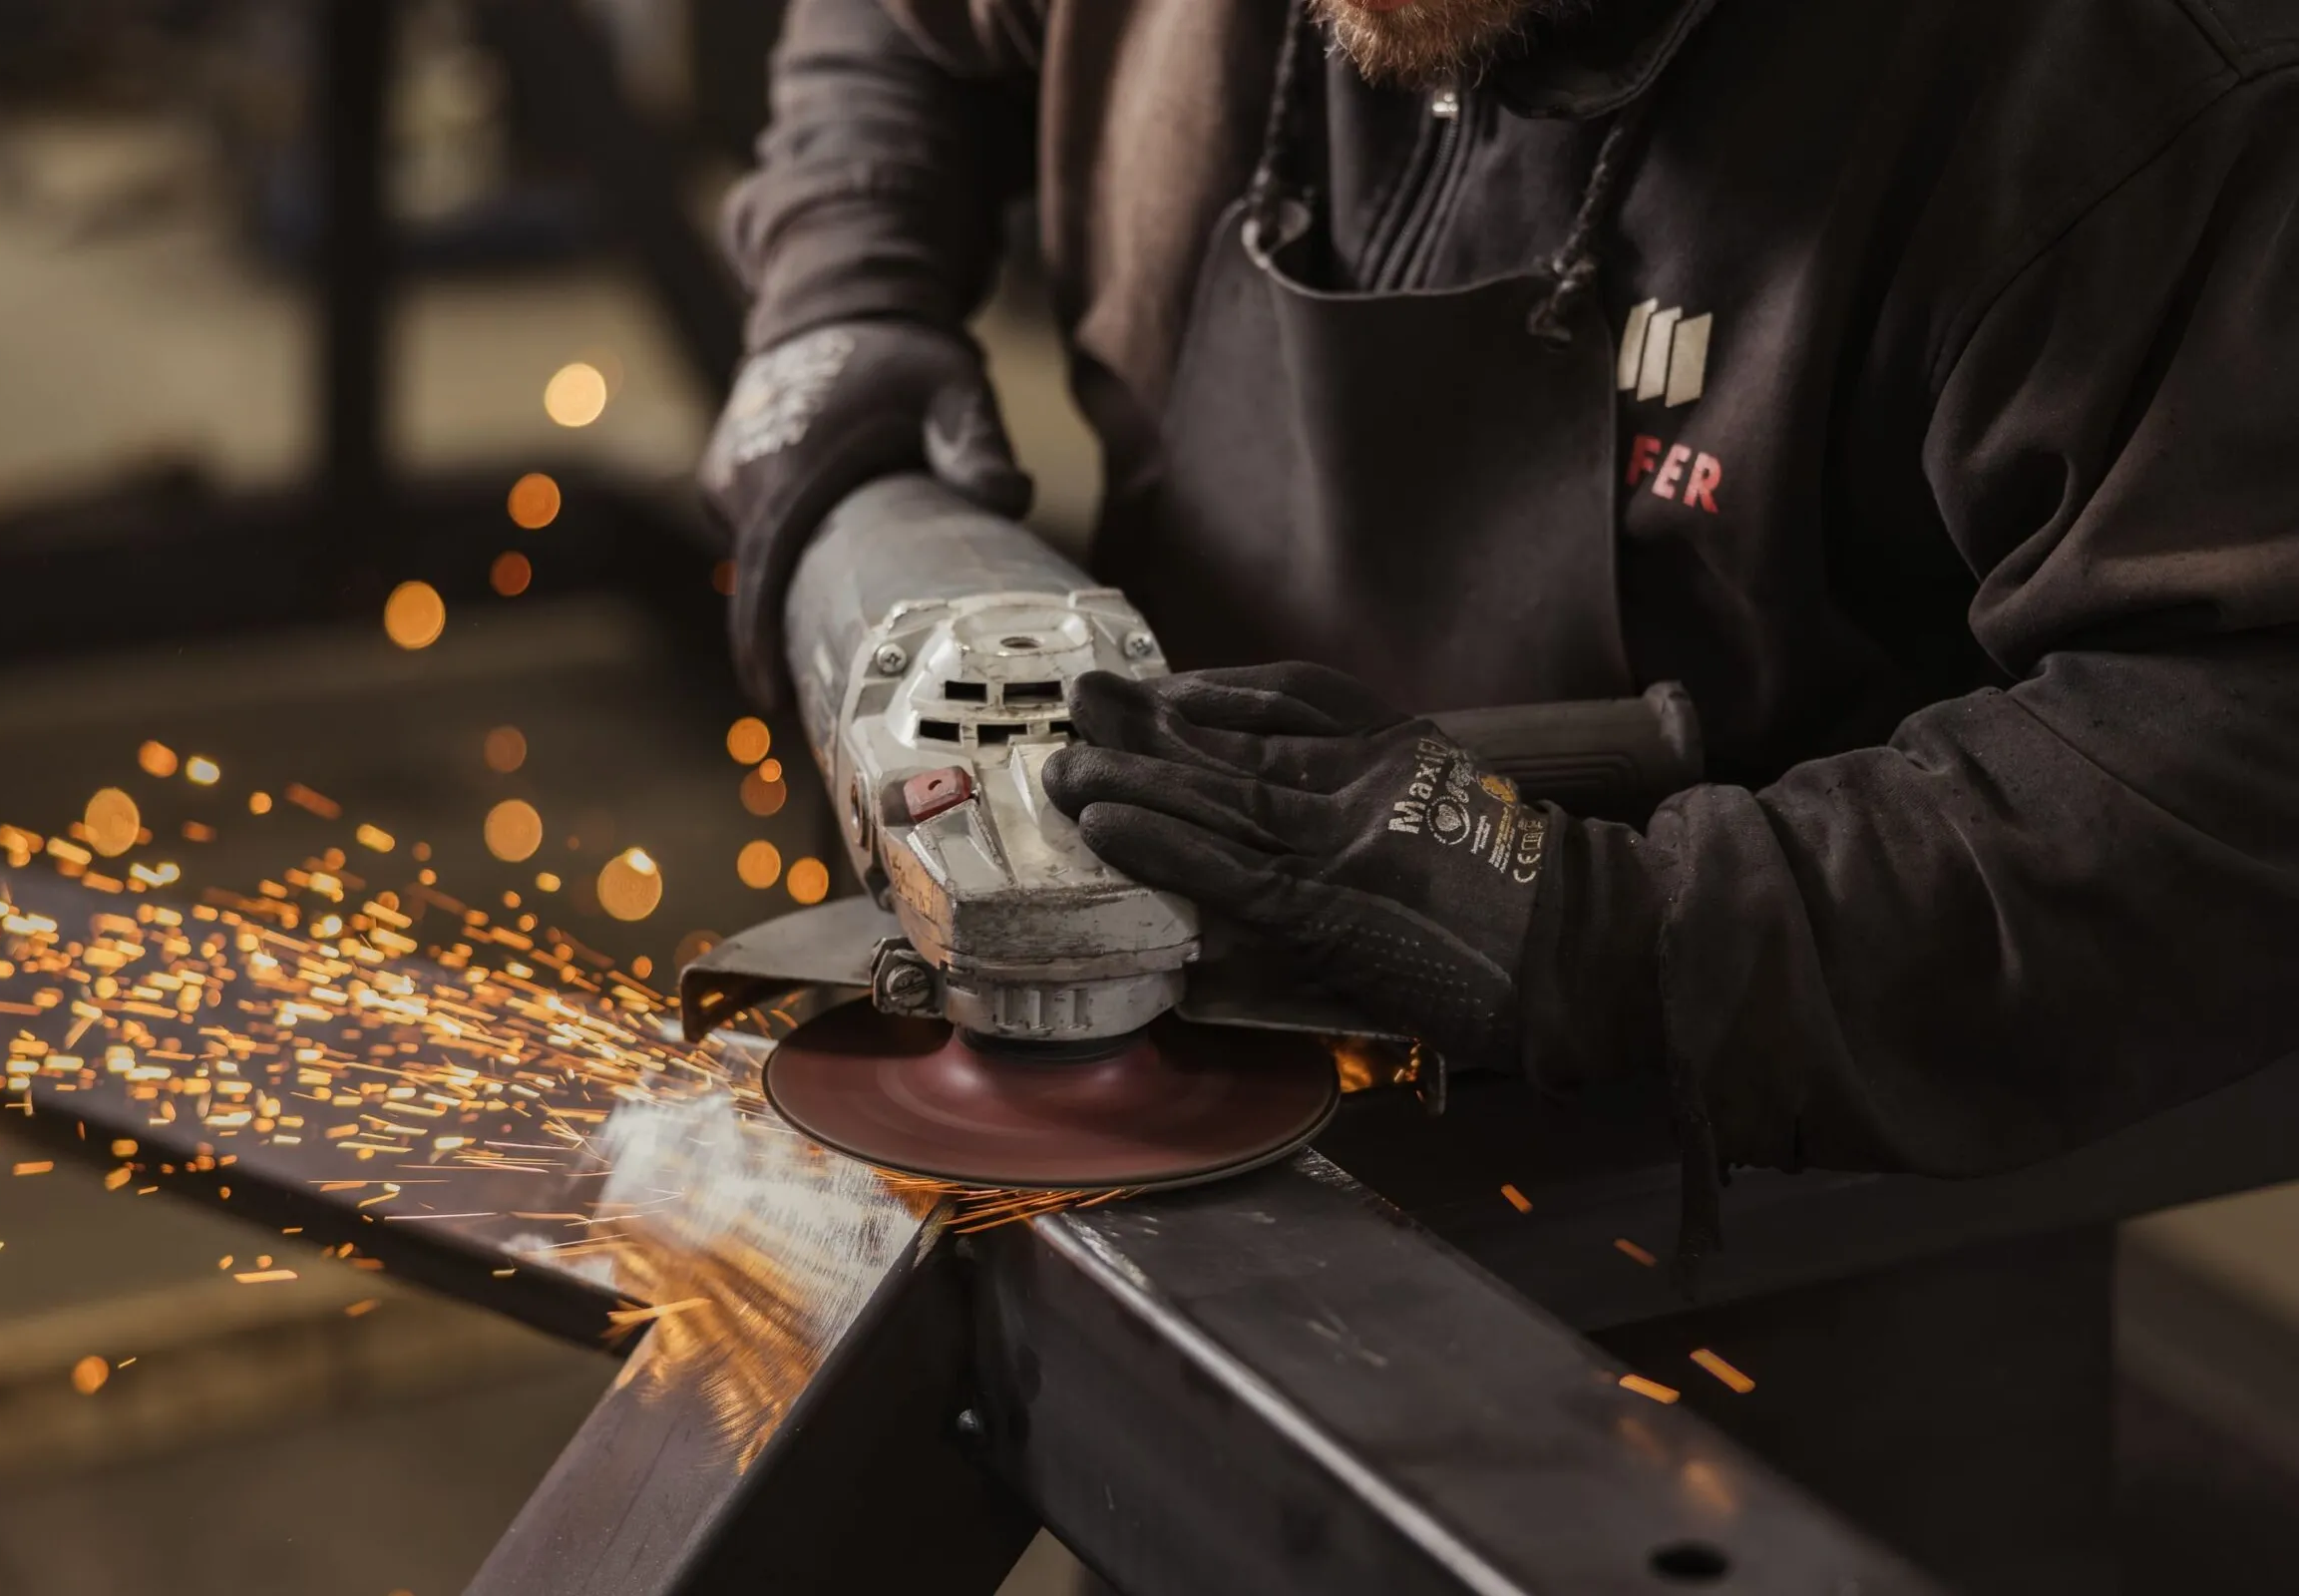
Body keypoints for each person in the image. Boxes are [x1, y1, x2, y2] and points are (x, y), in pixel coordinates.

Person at [699, 0, 2299, 1246]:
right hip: (1187, 1101)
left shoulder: (2129, 84)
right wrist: (843, 292)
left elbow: (2234, 770)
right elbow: (896, 30)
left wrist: (1611, 932)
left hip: (1770, 1191)